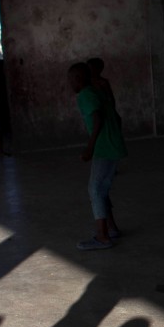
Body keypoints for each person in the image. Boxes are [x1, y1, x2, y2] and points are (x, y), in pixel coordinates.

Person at [68, 62, 127, 250]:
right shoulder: (96, 91)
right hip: (111, 144)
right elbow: (115, 116)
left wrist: (90, 147)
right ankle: (111, 228)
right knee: (101, 188)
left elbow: (97, 119)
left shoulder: (86, 95)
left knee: (95, 189)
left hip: (105, 147)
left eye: (71, 80)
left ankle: (102, 237)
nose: (70, 84)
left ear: (78, 79)